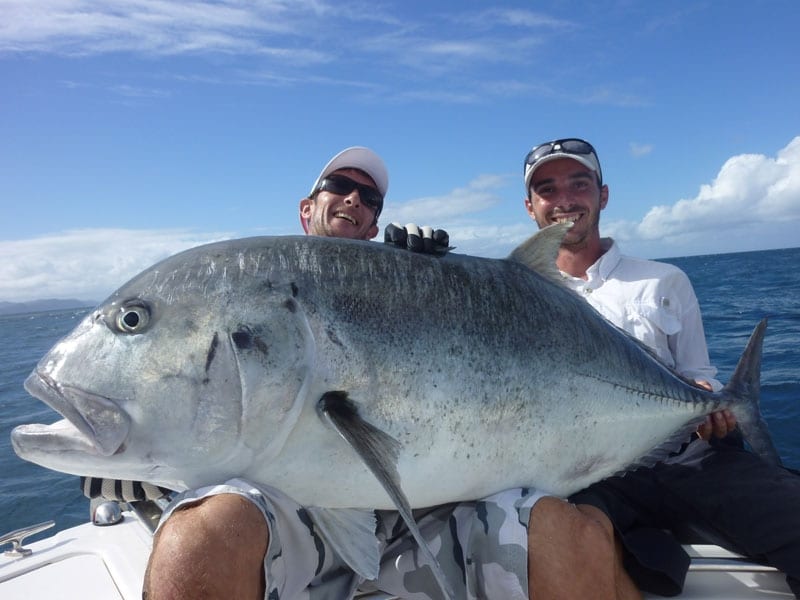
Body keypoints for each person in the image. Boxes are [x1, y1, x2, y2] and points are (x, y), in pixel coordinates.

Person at [142, 146, 639, 600]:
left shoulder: (410, 281)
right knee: (195, 540)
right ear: (306, 208)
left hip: (425, 518)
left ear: (376, 225)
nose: (354, 199)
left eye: (370, 198)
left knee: (569, 537)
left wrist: (448, 283)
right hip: (300, 516)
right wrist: (134, 458)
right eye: (339, 186)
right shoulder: (255, 291)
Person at [521, 137, 800, 597]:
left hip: (688, 458)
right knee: (563, 554)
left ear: (602, 195)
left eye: (579, 183)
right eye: (547, 189)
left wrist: (707, 398)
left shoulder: (664, 279)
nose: (565, 199)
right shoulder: (518, 298)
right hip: (582, 474)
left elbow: (697, 373)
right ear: (530, 206)